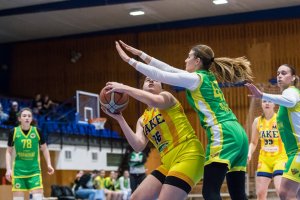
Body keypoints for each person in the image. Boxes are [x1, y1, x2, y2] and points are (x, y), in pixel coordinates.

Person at [115, 40, 254, 200]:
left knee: (210, 192)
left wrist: (129, 60)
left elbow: (161, 74)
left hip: (222, 133)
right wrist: (141, 55)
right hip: (238, 132)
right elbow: (168, 69)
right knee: (237, 194)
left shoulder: (192, 80)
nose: (185, 60)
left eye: (189, 57)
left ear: (197, 61)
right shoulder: (205, 77)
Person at [102, 76, 205, 200]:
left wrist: (123, 88)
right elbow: (138, 146)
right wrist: (120, 118)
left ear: (161, 86)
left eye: (155, 79)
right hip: (168, 163)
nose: (151, 80)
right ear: (142, 87)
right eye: (147, 80)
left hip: (188, 155)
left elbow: (155, 102)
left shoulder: (167, 98)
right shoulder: (142, 120)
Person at [246, 64, 300, 200]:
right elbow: (253, 142)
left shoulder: (291, 91)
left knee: (284, 192)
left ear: (293, 77)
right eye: (278, 74)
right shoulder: (258, 121)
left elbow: (291, 100)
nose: (280, 76)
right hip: (282, 155)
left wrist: (262, 94)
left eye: (284, 73)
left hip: (294, 153)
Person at [5, 107, 54, 200]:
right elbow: (8, 151)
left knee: (37, 197)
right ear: (19, 119)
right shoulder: (14, 132)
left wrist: (49, 164)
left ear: (31, 119)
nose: (27, 118)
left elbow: (44, 149)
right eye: (24, 116)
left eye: (29, 116)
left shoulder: (37, 131)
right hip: (18, 171)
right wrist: (8, 169)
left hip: (34, 171)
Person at [247, 100, 287, 200]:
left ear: (274, 104)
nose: (267, 103)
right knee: (260, 193)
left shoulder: (280, 119)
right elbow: (253, 142)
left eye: (270, 101)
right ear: (261, 104)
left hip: (280, 159)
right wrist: (249, 153)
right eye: (265, 101)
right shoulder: (257, 121)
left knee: (279, 190)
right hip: (264, 160)